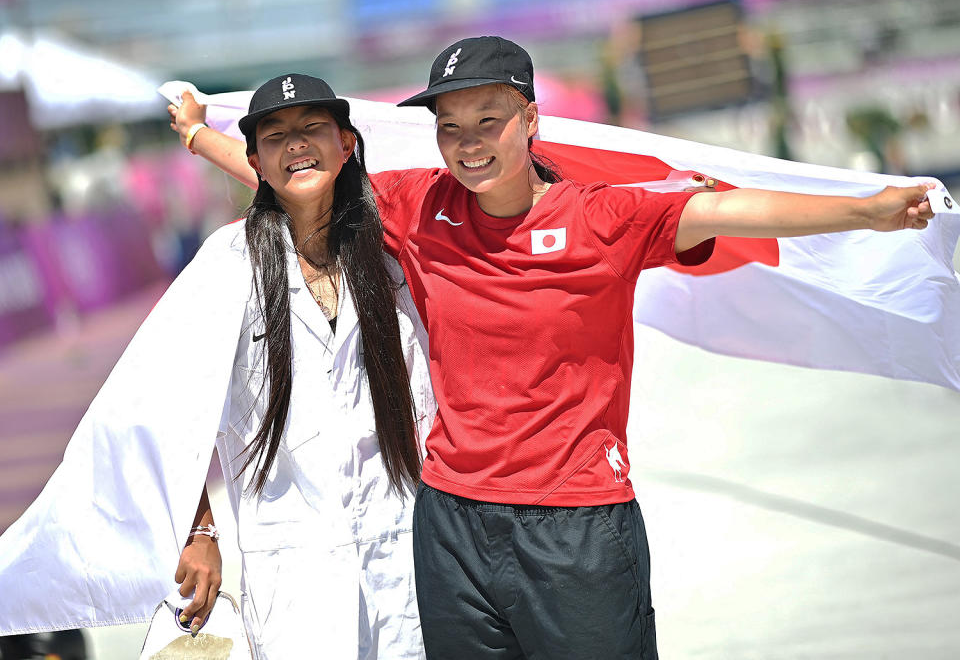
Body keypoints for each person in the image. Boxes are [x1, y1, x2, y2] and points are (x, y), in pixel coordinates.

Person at [170, 36, 936, 660]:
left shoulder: (605, 218)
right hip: (453, 527)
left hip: (578, 527)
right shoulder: (419, 205)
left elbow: (728, 208)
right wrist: (202, 137)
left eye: (489, 121)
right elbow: (303, 176)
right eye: (450, 127)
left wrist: (865, 212)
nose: (468, 145)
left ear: (530, 120)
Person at [0, 74, 434, 660]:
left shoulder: (393, 256)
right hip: (294, 572)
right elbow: (154, 410)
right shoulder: (226, 267)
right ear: (256, 160)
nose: (297, 145)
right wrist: (197, 527)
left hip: (404, 555)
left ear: (348, 143)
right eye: (276, 136)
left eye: (313, 129)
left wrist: (201, 134)